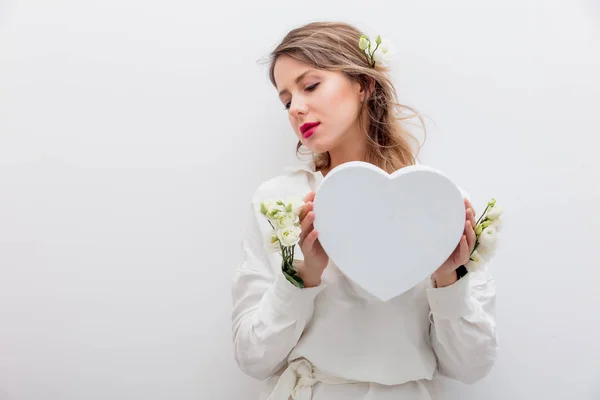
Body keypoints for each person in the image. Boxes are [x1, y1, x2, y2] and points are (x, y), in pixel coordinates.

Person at [231, 21, 497, 400]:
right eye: (286, 100)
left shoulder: (439, 204)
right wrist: (301, 277)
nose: (297, 109)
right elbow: (252, 358)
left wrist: (448, 279)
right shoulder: (279, 202)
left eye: (310, 86)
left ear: (363, 84)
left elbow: (472, 367)